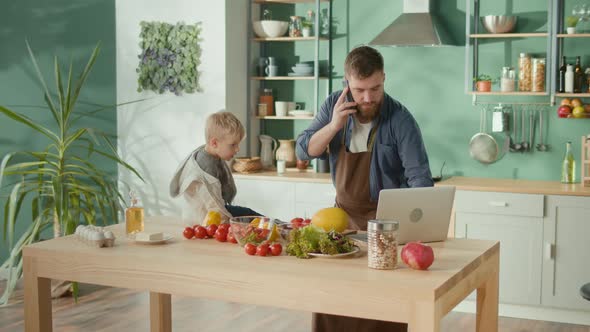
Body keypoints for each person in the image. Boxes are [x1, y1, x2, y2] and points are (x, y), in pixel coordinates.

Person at [295, 46, 433, 332]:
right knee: (334, 298)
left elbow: (420, 179)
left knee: (382, 304)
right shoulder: (334, 104)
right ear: (347, 82)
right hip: (342, 222)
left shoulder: (400, 120)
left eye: (375, 88)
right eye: (359, 90)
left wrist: (416, 230)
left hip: (386, 227)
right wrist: (334, 125)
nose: (368, 98)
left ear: (384, 78)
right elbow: (304, 150)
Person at [170, 111, 261, 225]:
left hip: (206, 213)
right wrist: (229, 226)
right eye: (233, 144)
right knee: (255, 220)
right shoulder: (207, 168)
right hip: (205, 219)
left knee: (250, 214)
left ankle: (281, 226)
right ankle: (283, 227)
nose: (237, 149)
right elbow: (214, 207)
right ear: (214, 143)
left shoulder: (210, 154)